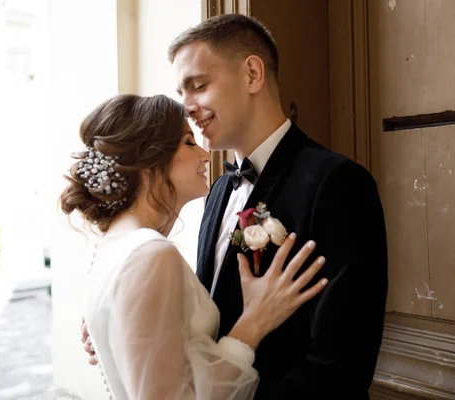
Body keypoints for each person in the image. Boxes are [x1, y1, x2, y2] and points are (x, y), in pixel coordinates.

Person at [168, 14, 389, 399]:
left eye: (198, 86)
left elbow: (343, 361)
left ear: (252, 74)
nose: (187, 107)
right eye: (181, 94)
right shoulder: (219, 189)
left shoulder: (338, 183)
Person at [62, 93, 329, 399]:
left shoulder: (112, 244)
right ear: (149, 161)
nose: (205, 155)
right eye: (189, 142)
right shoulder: (150, 253)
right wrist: (253, 323)